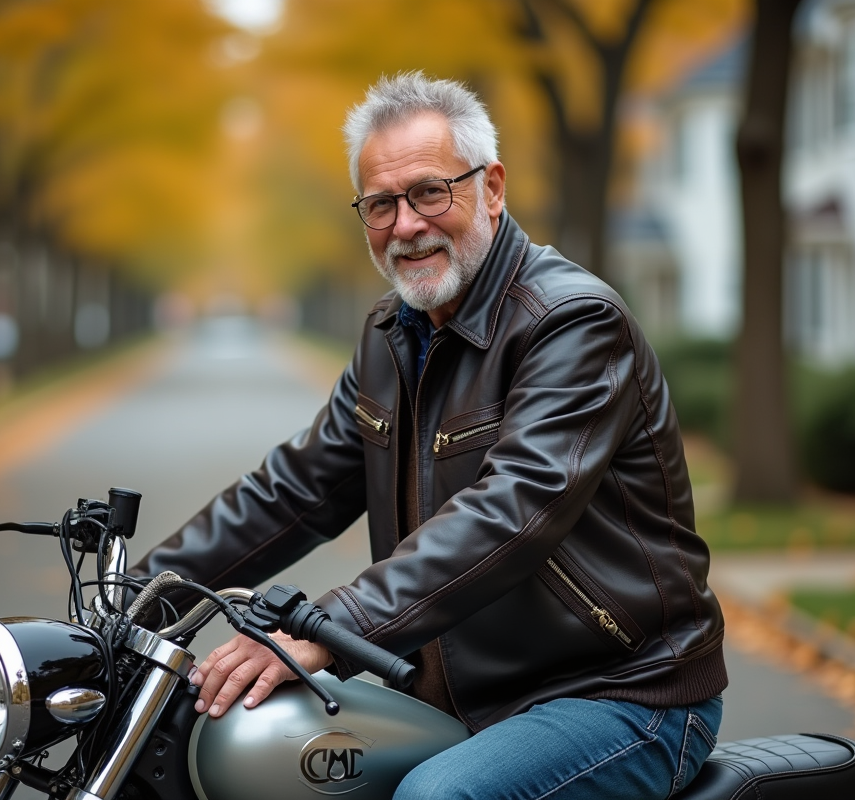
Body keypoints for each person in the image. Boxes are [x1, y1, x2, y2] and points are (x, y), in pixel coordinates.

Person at [133, 72, 727, 800]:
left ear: (492, 188)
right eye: (380, 204)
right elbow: (297, 491)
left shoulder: (571, 322)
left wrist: (332, 628)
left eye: (429, 192)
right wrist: (139, 594)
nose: (406, 225)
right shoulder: (391, 333)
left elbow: (513, 511)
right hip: (452, 696)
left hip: (620, 692)